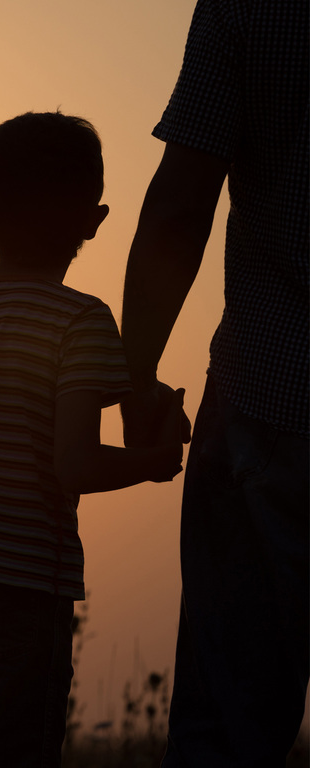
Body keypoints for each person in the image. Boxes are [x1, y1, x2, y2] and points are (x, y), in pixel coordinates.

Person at [0, 111, 185, 768]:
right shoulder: (80, 320)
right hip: (17, 589)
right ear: (94, 219)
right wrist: (155, 462)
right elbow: (73, 464)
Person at [120, 1, 309, 765]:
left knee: (228, 731)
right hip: (262, 406)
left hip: (268, 399)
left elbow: (182, 201)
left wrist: (135, 379)